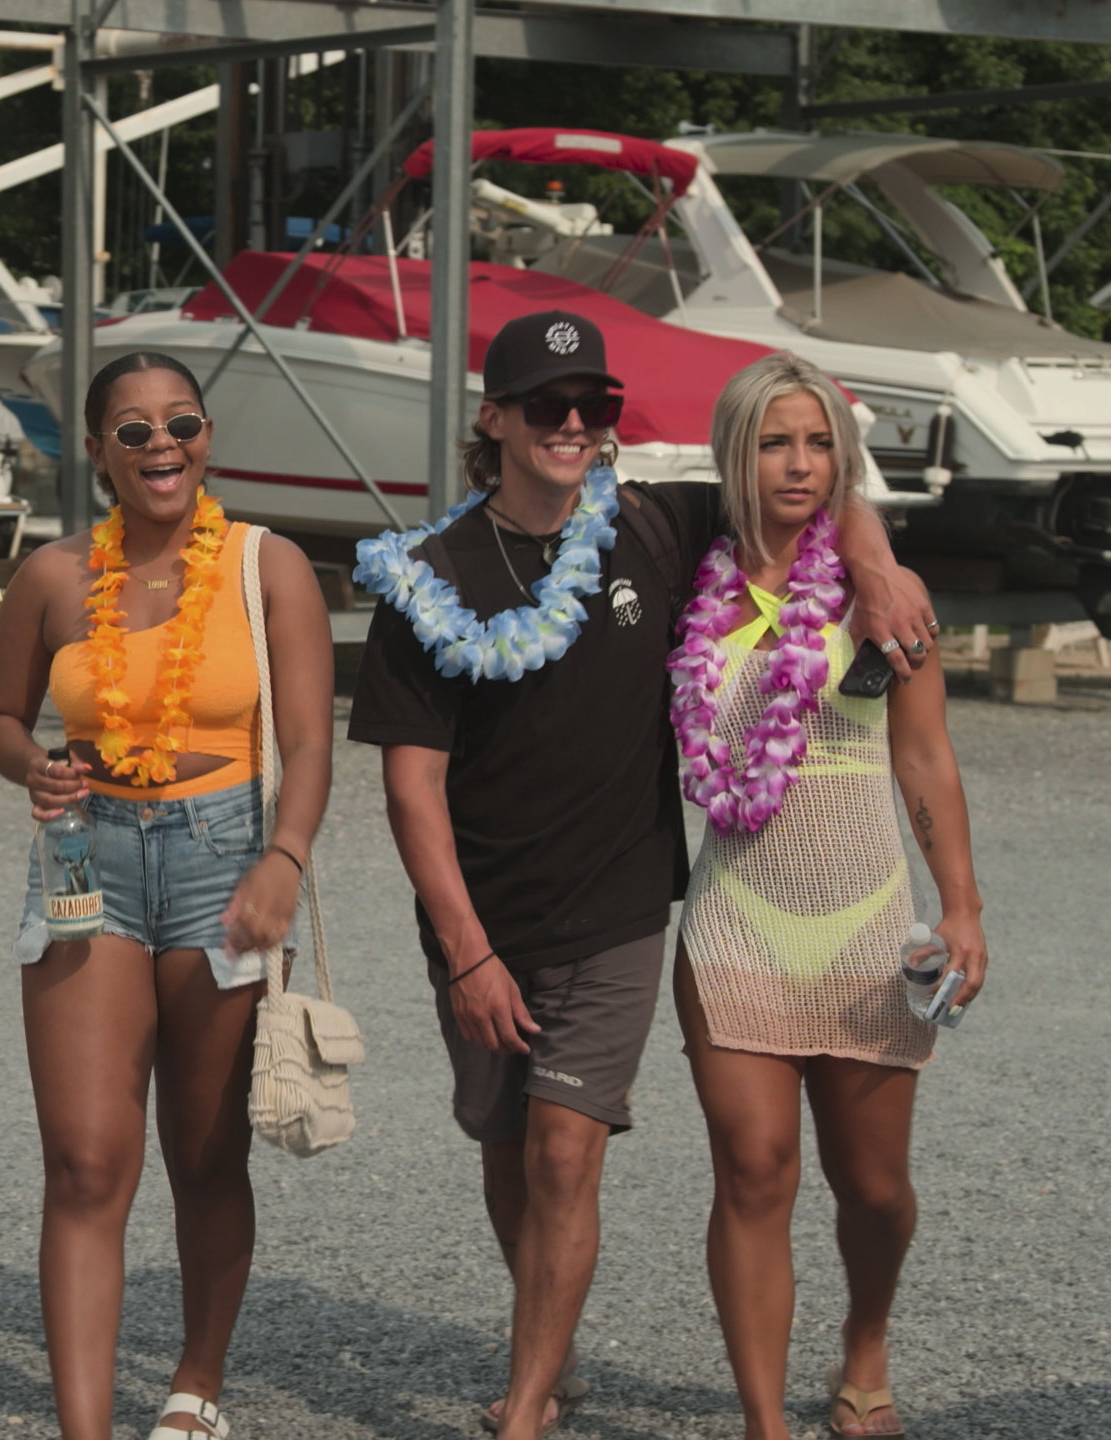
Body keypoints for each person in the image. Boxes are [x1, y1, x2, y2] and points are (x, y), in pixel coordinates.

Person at [346, 313, 937, 1440]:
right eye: (545, 406)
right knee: (509, 1148)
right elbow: (411, 790)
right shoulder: (430, 577)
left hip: (619, 909)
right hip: (480, 923)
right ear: (494, 419)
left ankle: (523, 1408)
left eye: (593, 407)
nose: (572, 425)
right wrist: (465, 950)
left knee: (570, 1147)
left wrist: (873, 556)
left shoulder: (652, 528)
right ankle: (547, 1350)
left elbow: (800, 477)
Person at [0, 352, 333, 1440]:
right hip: (90, 858)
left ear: (207, 436)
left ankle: (194, 1387)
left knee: (204, 1149)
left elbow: (314, 738)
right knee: (85, 1159)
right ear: (95, 453)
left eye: (180, 422)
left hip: (225, 855)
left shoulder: (267, 567)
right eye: (131, 432)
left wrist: (283, 857)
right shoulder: (50, 576)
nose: (160, 445)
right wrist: (26, 762)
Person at [667, 352, 988, 1440]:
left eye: (818, 445)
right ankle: (765, 1423)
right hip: (732, 925)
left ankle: (864, 1345)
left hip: (862, 926)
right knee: (753, 1172)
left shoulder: (880, 598)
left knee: (875, 1190)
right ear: (734, 454)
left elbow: (926, 761)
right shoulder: (685, 581)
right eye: (773, 442)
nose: (798, 465)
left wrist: (963, 911)